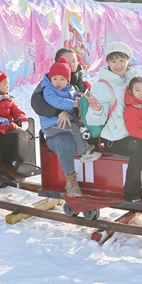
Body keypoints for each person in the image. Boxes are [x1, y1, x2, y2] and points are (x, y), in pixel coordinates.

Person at [84, 42, 142, 203]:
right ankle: (131, 191)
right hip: (115, 137)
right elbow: (92, 119)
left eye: (121, 61)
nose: (118, 65)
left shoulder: (133, 80)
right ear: (108, 63)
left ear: (127, 61)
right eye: (113, 61)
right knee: (141, 147)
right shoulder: (102, 86)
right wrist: (97, 109)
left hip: (136, 130)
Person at [39, 57, 102, 196]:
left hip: (65, 124)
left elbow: (76, 99)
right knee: (69, 136)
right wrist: (71, 105)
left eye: (62, 79)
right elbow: (55, 101)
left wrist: (80, 101)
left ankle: (84, 147)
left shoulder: (72, 88)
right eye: (55, 78)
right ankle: (82, 156)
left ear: (68, 79)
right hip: (52, 126)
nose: (58, 83)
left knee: (78, 128)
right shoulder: (47, 89)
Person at [0, 67, 33, 176]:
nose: (8, 86)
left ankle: (18, 160)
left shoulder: (7, 98)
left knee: (22, 135)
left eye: (8, 84)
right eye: (5, 85)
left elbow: (14, 108)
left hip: (7, 125)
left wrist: (20, 115)